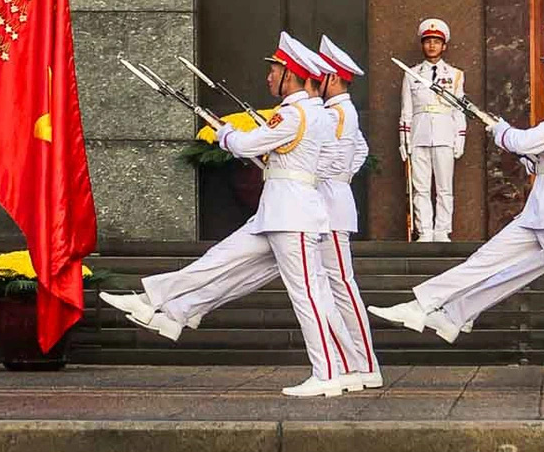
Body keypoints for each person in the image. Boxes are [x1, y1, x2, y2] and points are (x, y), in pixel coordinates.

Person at [370, 33, 544, 394]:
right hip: (543, 207)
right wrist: (540, 156)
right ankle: (424, 304)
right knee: (486, 259)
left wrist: (502, 131)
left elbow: (527, 141)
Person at [101, 32, 358, 396]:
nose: (269, 77)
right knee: (220, 260)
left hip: (294, 217)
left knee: (309, 296)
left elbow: (247, 144)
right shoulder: (309, 114)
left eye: (275, 71)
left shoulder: (295, 115)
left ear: (291, 75)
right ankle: (160, 303)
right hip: (278, 212)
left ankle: (330, 373)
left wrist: (226, 133)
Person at [310, 35, 381, 395]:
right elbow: (361, 149)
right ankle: (355, 363)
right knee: (334, 286)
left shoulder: (336, 112)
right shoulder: (341, 113)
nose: (313, 81)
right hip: (329, 198)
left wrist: (336, 177)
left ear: (332, 79)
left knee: (341, 286)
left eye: (319, 75)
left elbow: (334, 157)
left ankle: (364, 364)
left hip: (330, 203)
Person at [400, 18, 467, 241]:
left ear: (444, 46)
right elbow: (406, 109)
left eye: (436, 42)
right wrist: (404, 140)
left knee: (444, 187)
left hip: (444, 133)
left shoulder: (455, 74)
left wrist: (460, 137)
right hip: (419, 134)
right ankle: (425, 231)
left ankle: (442, 230)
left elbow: (459, 109)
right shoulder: (411, 73)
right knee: (420, 187)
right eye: (428, 41)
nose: (432, 46)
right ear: (422, 44)